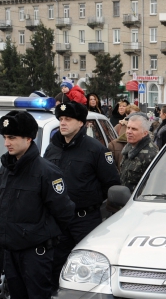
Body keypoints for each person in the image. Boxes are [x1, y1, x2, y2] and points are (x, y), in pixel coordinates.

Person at [0, 110, 76, 299]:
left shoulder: (46, 172)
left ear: (29, 139)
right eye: (5, 137)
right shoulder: (6, 168)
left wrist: (44, 237)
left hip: (36, 251)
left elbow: (64, 213)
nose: (7, 142)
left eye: (13, 137)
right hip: (12, 248)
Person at [44, 101, 120, 286]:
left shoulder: (96, 149)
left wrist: (91, 202)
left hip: (85, 220)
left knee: (90, 268)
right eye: (61, 119)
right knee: (56, 267)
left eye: (68, 119)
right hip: (59, 221)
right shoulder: (52, 148)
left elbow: (111, 184)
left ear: (81, 123)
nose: (63, 123)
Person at [120, 113, 158, 192]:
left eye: (134, 129)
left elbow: (152, 186)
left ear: (145, 133)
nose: (129, 132)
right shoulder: (129, 147)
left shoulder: (151, 154)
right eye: (128, 128)